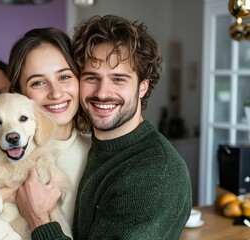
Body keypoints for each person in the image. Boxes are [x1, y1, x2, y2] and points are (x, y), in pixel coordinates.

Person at [15, 15, 192, 240]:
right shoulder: (95, 148)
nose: (102, 93)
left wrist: (38, 218)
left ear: (142, 87)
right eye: (92, 78)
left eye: (118, 79)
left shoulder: (154, 173)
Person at [0, 28, 91, 240]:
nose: (56, 93)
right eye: (38, 82)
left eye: (65, 76)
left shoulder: (99, 148)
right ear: (20, 90)